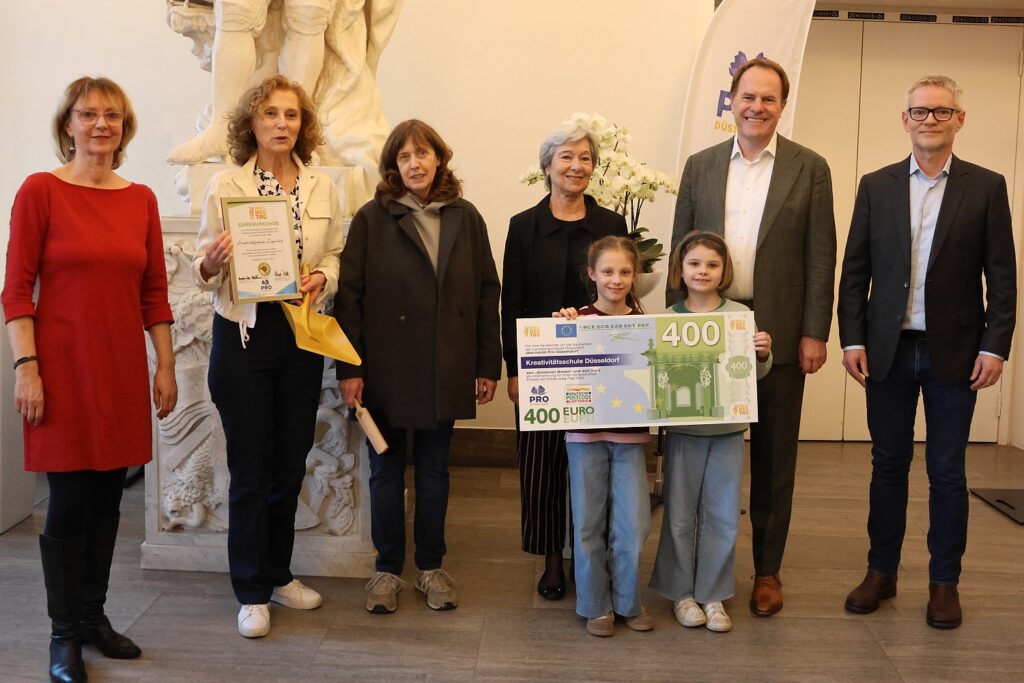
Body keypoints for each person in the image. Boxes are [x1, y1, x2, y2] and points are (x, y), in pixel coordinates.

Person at [2, 77, 177, 683]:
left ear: (124, 127)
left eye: (112, 115)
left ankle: (93, 617)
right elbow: (16, 292)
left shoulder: (141, 200)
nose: (101, 124)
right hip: (59, 371)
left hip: (119, 370)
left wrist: (165, 365)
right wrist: (26, 368)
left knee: (108, 500)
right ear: (67, 125)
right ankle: (63, 636)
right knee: (69, 501)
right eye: (88, 114)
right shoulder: (40, 191)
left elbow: (154, 293)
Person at [838, 75, 1016, 629]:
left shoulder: (986, 187)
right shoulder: (876, 185)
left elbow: (1002, 277)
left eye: (941, 111)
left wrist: (995, 346)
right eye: (920, 111)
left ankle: (944, 582)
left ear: (959, 119)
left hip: (956, 353)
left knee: (947, 471)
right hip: (887, 350)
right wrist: (853, 338)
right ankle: (881, 572)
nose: (930, 120)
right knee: (887, 465)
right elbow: (855, 270)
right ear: (905, 119)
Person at [667, 57, 836, 616]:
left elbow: (820, 256)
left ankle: (767, 570)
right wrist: (674, 323)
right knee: (699, 452)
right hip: (707, 324)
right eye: (748, 96)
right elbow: (681, 247)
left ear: (782, 105)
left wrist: (814, 332)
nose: (756, 107)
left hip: (777, 328)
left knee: (773, 457)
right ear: (732, 100)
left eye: (768, 98)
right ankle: (693, 572)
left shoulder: (810, 167)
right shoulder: (700, 165)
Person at [192, 74, 345, 638]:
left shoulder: (322, 186)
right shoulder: (225, 185)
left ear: (303, 125)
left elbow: (335, 253)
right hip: (243, 336)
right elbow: (201, 271)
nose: (282, 124)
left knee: (290, 460)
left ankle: (280, 574)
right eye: (271, 114)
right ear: (251, 123)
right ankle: (251, 590)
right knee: (251, 466)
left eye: (292, 115)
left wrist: (323, 276)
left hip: (299, 335)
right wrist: (211, 262)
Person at [335, 119, 501, 614]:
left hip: (446, 364)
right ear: (393, 165)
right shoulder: (372, 218)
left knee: (434, 471)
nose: (414, 164)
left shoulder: (466, 217)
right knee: (385, 471)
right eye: (404, 157)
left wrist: (486, 364)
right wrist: (349, 369)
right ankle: (387, 570)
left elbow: (486, 294)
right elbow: (350, 298)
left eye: (422, 154)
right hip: (384, 367)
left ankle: (431, 567)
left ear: (439, 158)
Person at [502, 123, 627, 600]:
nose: (576, 166)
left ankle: (588, 555)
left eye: (585, 158)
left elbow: (623, 290)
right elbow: (511, 302)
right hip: (540, 366)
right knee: (542, 465)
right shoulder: (523, 226)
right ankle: (552, 558)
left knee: (594, 461)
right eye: (566, 157)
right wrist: (514, 369)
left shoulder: (612, 223)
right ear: (547, 166)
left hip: (600, 362)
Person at [650, 232, 772, 633]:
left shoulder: (740, 316)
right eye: (694, 264)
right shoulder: (667, 319)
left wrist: (763, 353)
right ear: (681, 270)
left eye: (712, 264)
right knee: (679, 515)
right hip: (684, 433)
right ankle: (681, 593)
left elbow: (754, 374)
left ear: (724, 271)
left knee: (723, 515)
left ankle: (713, 593)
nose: (703, 271)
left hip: (728, 431)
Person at [550, 236, 653, 637]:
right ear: (591, 274)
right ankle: (595, 605)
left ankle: (628, 602)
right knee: (588, 523)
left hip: (631, 438)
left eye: (625, 272)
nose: (616, 279)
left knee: (634, 525)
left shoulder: (646, 325)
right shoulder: (573, 320)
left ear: (635, 275)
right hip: (584, 437)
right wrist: (559, 329)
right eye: (607, 271)